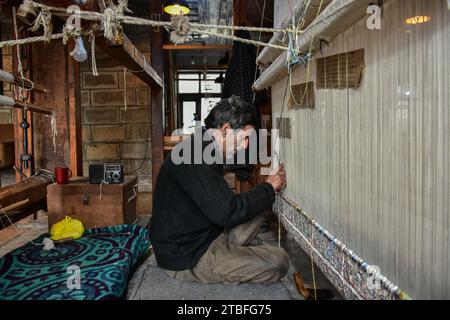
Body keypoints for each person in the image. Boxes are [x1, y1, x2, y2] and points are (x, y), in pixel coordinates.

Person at [149, 96, 289, 284]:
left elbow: (222, 204)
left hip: (203, 233)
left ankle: (230, 254)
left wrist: (266, 190)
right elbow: (227, 212)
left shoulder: (202, 146)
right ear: (226, 130)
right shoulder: (195, 156)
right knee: (278, 261)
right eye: (245, 138)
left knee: (259, 210)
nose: (246, 145)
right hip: (188, 255)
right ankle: (224, 265)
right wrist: (269, 187)